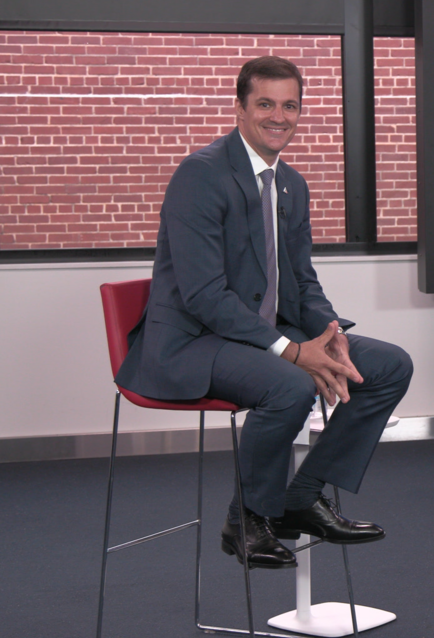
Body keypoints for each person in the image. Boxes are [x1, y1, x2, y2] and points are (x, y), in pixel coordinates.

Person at [116, 56, 413, 568]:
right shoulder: (200, 175)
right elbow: (204, 295)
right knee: (290, 385)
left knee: (389, 365)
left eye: (290, 106)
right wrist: (292, 351)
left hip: (261, 334)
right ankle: (247, 519)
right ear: (240, 108)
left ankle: (301, 497)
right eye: (266, 104)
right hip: (193, 340)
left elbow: (302, 279)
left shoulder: (291, 183)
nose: (279, 117)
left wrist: (329, 332)